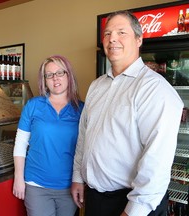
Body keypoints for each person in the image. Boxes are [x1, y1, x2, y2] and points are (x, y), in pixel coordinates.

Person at [71, 10, 184, 216]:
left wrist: (133, 211)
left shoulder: (155, 89)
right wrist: (78, 177)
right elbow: (84, 137)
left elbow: (156, 163)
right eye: (107, 33)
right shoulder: (96, 86)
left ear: (139, 39)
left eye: (121, 32)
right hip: (96, 198)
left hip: (133, 204)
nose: (112, 38)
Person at [13, 55, 84, 216]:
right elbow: (20, 144)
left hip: (69, 186)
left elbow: (86, 148)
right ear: (44, 80)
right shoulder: (33, 106)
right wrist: (19, 178)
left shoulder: (81, 109)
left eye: (60, 73)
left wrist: (80, 181)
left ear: (69, 75)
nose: (55, 78)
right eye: (49, 75)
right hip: (36, 185)